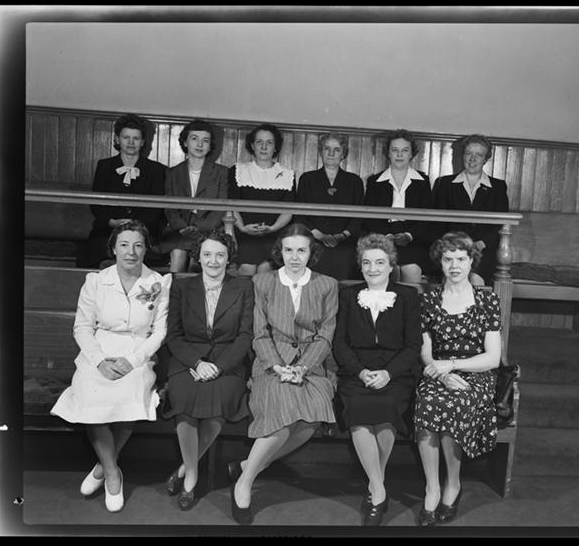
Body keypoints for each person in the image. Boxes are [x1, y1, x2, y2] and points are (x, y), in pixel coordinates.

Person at [51, 220, 172, 513]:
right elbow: (82, 328)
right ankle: (113, 471)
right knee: (92, 392)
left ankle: (102, 467)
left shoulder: (158, 282)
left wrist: (132, 361)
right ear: (113, 249)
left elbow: (159, 332)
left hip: (136, 352)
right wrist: (99, 361)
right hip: (100, 349)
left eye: (138, 245)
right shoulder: (96, 281)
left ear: (146, 249)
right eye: (124, 245)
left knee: (131, 391)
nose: (131, 252)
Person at [228, 223, 338, 525]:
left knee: (313, 417)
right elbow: (259, 333)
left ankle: (248, 466)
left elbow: (325, 335)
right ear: (280, 251)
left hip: (311, 366)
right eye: (289, 250)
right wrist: (277, 366)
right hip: (271, 364)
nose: (294, 257)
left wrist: (303, 367)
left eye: (301, 250)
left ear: (311, 253)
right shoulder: (263, 281)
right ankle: (244, 482)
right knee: (282, 410)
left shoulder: (327, 284)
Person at [412, 231, 502, 526]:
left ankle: (452, 483)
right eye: (448, 259)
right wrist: (442, 375)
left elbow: (492, 358)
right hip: (437, 371)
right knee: (429, 401)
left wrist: (451, 366)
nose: (454, 266)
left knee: (455, 402)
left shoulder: (487, 300)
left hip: (476, 373)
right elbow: (426, 352)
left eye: (461, 259)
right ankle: (432, 488)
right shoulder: (428, 299)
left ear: (471, 261)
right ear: (439, 261)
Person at [160, 229, 254, 511]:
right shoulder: (181, 287)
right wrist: (197, 363)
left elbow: (245, 336)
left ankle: (183, 470)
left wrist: (220, 366)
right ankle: (192, 474)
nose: (213, 261)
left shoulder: (243, 287)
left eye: (220, 255)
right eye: (207, 254)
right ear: (198, 258)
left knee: (220, 401)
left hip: (229, 361)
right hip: (188, 360)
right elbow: (174, 335)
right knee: (184, 401)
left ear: (229, 258)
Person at [332, 233, 422, 526]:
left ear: (391, 265)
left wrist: (388, 373)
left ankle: (374, 487)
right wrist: (360, 372)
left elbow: (413, 346)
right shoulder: (348, 295)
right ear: (360, 266)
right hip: (356, 374)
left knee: (386, 410)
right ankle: (379, 489)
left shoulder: (408, 296)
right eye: (367, 263)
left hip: (395, 375)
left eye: (380, 262)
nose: (373, 269)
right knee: (358, 410)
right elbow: (340, 344)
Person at [76, 113, 166, 269]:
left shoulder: (156, 170)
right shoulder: (105, 166)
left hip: (144, 231)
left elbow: (156, 208)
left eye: (136, 138)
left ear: (143, 142)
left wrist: (136, 225)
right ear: (117, 139)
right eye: (126, 137)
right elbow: (96, 203)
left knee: (146, 250)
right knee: (96, 249)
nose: (131, 142)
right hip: (108, 229)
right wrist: (111, 221)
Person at [432, 134, 509, 286]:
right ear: (463, 155)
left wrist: (482, 243)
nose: (472, 159)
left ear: (485, 159)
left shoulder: (498, 187)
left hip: (483, 251)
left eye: (478, 155)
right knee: (452, 280)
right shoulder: (444, 184)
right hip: (451, 249)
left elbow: (501, 224)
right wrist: (452, 244)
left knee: (474, 280)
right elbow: (437, 223)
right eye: (468, 153)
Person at [363, 129, 435, 285]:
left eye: (405, 150)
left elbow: (427, 217)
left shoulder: (422, 181)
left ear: (412, 154)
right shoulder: (375, 182)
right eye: (395, 150)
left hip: (414, 238)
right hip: (383, 237)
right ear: (388, 153)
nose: (399, 155)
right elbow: (369, 218)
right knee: (391, 270)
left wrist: (409, 235)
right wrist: (386, 236)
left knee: (412, 270)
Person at [161, 120, 230, 273]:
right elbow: (169, 207)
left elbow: (221, 207)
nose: (200, 144)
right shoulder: (173, 173)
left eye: (205, 140)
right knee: (177, 254)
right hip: (180, 229)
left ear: (210, 145)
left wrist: (200, 228)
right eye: (194, 139)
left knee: (198, 260)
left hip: (210, 229)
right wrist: (182, 227)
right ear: (185, 142)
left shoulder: (221, 172)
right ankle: (174, 288)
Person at [295, 132, 365, 280]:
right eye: (327, 148)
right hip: (313, 240)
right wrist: (319, 235)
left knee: (344, 276)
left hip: (345, 243)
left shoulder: (354, 181)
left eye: (337, 150)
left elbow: (359, 216)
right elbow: (299, 214)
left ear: (343, 154)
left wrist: (342, 235)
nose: (331, 154)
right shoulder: (307, 179)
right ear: (321, 151)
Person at [229, 123, 295, 276]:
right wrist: (242, 227)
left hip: (274, 235)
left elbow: (288, 211)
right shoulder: (239, 171)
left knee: (265, 270)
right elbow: (231, 206)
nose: (264, 147)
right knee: (247, 268)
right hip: (244, 234)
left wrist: (272, 228)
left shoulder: (287, 174)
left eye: (269, 142)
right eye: (259, 142)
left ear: (276, 147)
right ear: (252, 145)